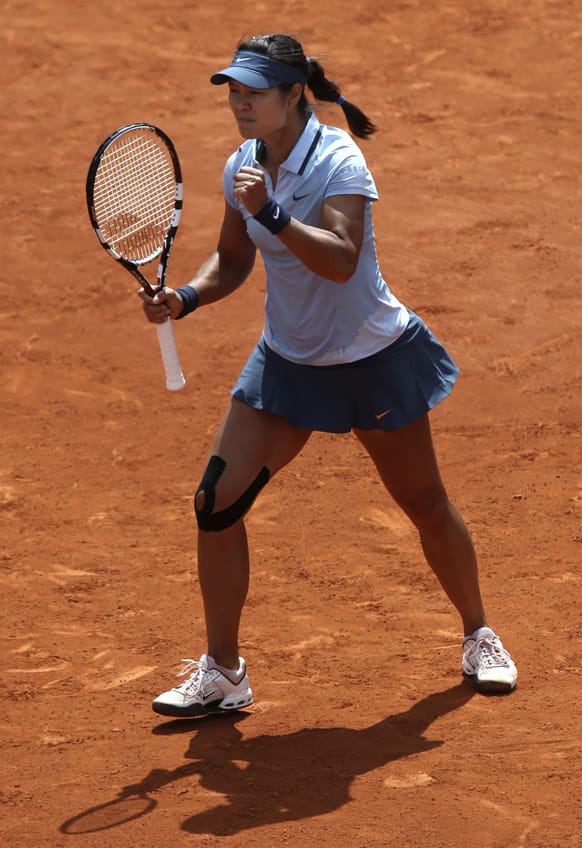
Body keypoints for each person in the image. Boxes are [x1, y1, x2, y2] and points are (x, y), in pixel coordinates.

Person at [140, 33, 517, 717]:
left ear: (293, 96)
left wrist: (272, 213)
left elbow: (341, 259)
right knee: (215, 503)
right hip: (288, 362)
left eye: (254, 91)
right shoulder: (243, 168)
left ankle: (479, 634)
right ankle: (224, 671)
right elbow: (231, 259)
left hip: (371, 358)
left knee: (425, 503)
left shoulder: (339, 158)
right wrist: (186, 297)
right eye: (233, 89)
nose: (239, 102)